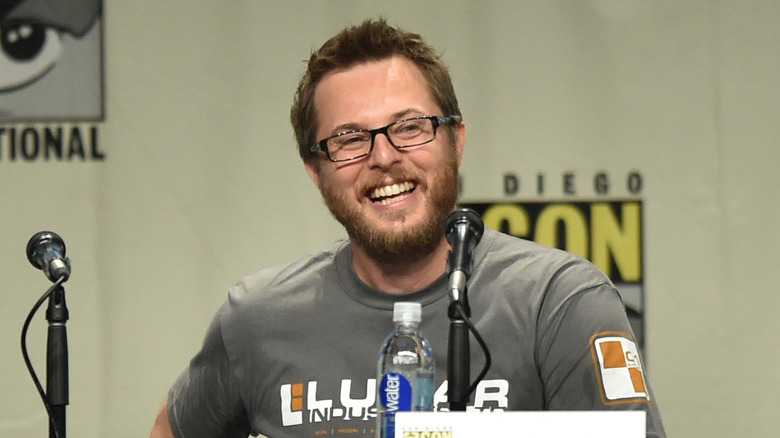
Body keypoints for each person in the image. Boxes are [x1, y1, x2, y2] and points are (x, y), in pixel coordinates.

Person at [150, 18, 666, 438]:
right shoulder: (257, 321)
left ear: (455, 140)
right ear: (315, 170)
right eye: (349, 139)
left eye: (409, 127)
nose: (383, 156)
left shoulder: (560, 303)